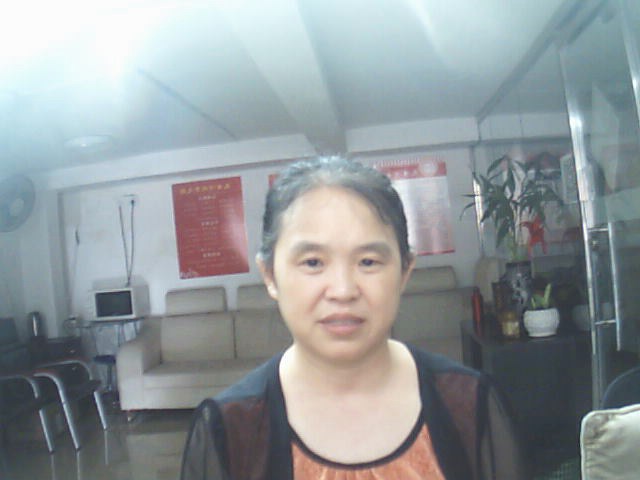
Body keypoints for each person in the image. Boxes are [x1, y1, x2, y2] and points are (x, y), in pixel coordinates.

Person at [180, 157, 530, 480]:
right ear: (270, 275)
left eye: (368, 262)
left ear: (405, 271)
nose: (343, 290)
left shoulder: (470, 406)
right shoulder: (230, 430)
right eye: (313, 262)